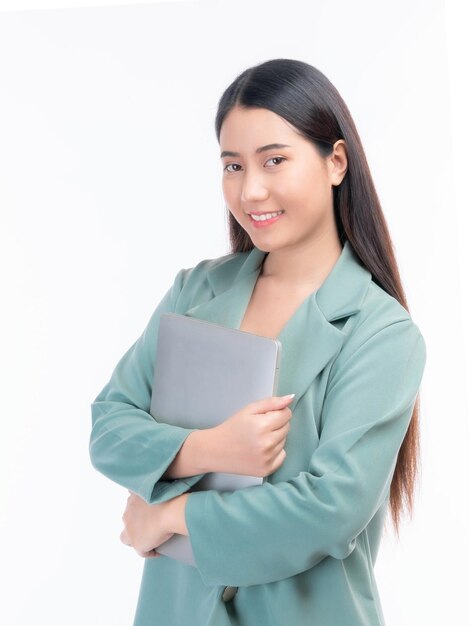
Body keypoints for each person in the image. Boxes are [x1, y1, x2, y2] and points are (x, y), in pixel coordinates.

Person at [89, 58, 427, 626]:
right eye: (232, 165)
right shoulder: (195, 292)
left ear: (335, 162)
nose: (251, 190)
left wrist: (173, 515)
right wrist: (209, 449)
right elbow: (110, 424)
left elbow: (328, 510)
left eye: (275, 160)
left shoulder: (381, 333)